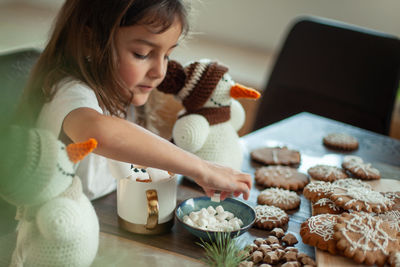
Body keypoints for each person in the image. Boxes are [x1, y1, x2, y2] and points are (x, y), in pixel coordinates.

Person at [15, 0, 252, 201]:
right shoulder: (68, 91)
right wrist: (202, 168)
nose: (159, 71)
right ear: (91, 41)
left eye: (167, 55)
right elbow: (99, 131)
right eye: (142, 54)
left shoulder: (121, 91)